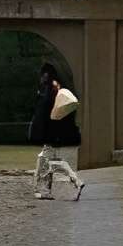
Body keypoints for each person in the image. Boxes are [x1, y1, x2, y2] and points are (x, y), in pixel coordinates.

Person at [29, 62, 84, 201]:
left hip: (50, 132)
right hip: (54, 132)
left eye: (42, 75)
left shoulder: (51, 88)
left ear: (45, 75)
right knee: (49, 161)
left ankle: (72, 181)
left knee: (47, 161)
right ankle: (45, 189)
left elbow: (46, 112)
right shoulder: (55, 87)